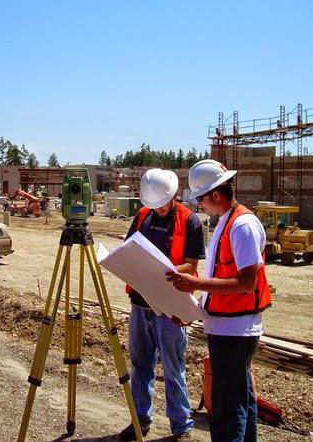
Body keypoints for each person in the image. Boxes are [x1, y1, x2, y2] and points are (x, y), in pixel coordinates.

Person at [167, 159, 272, 442]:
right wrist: (195, 310)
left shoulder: (242, 226)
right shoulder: (226, 223)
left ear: (215, 194)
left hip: (235, 332)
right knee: (241, 401)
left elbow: (247, 283)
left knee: (227, 409)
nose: (199, 204)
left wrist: (195, 283)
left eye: (200, 198)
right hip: (226, 327)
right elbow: (220, 280)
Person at [120, 168, 205, 442]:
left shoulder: (189, 221)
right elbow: (129, 251)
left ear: (173, 196)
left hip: (170, 308)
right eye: (153, 206)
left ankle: (181, 427)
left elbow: (191, 265)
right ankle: (139, 421)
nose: (158, 210)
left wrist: (162, 271)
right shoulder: (143, 215)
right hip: (140, 304)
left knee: (173, 367)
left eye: (162, 205)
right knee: (140, 364)